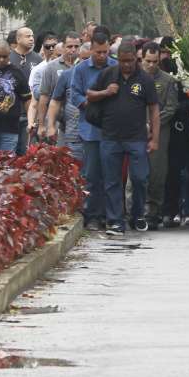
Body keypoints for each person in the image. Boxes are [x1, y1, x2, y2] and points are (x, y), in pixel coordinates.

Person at [89, 41, 159, 236]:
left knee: (140, 179)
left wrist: (155, 139)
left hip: (137, 138)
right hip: (110, 137)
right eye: (122, 61)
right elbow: (90, 95)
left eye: (130, 61)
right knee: (112, 181)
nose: (126, 64)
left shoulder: (145, 79)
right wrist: (106, 92)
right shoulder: (107, 74)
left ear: (136, 59)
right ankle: (116, 221)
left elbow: (154, 109)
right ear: (117, 59)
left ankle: (137, 215)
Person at [67, 29, 118, 229]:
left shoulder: (115, 67)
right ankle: (92, 215)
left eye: (105, 52)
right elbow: (75, 95)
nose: (102, 56)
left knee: (111, 175)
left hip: (113, 130)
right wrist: (95, 103)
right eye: (98, 52)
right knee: (91, 175)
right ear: (91, 49)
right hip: (90, 130)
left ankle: (110, 215)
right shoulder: (81, 69)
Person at [140, 41, 179, 228]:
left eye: (155, 61)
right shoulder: (133, 78)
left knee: (156, 173)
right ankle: (134, 210)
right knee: (135, 173)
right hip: (136, 131)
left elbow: (171, 108)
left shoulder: (168, 81)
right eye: (148, 61)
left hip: (160, 132)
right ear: (142, 59)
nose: (151, 65)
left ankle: (153, 212)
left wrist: (152, 124)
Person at [45, 41, 93, 150]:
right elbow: (55, 101)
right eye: (84, 59)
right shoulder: (68, 74)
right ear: (79, 57)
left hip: (96, 134)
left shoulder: (105, 74)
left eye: (90, 59)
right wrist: (51, 126)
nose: (87, 62)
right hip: (73, 133)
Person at [36, 33, 79, 143]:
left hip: (81, 123)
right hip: (59, 122)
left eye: (76, 46)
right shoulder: (51, 67)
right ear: (63, 47)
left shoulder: (84, 65)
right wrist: (42, 125)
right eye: (70, 46)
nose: (73, 50)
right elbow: (44, 97)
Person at [8, 27, 41, 154]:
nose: (31, 39)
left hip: (30, 114)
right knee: (9, 154)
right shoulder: (8, 58)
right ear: (18, 39)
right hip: (10, 114)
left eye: (32, 36)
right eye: (28, 36)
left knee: (26, 153)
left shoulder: (38, 60)